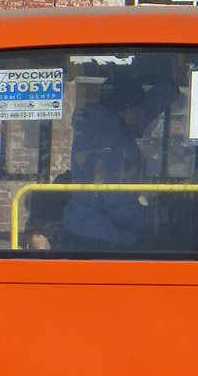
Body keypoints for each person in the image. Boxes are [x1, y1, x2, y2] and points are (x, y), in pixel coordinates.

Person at [60, 76, 156, 250]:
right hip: (106, 241)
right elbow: (121, 208)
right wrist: (157, 219)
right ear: (127, 108)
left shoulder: (90, 130)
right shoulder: (117, 144)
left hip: (77, 229)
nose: (142, 115)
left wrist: (170, 86)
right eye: (139, 109)